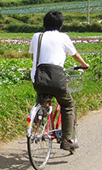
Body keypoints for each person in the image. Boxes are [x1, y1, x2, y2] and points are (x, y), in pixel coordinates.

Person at [29, 11, 89, 150]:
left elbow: (33, 57)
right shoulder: (64, 37)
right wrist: (85, 65)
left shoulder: (37, 36)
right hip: (57, 78)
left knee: (42, 101)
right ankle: (68, 139)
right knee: (67, 104)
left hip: (39, 79)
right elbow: (75, 55)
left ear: (44, 24)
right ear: (60, 26)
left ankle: (39, 127)